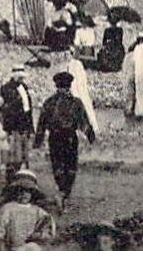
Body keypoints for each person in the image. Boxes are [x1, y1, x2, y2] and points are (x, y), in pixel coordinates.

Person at [35, 71, 96, 204]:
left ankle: (62, 191)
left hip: (55, 137)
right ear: (69, 86)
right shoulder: (75, 102)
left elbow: (42, 123)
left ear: (57, 86)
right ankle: (65, 192)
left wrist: (38, 141)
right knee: (70, 164)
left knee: (58, 164)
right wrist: (90, 136)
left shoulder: (50, 102)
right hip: (69, 138)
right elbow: (83, 122)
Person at [0, 170, 55, 250]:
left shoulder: (38, 211)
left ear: (32, 193)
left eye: (28, 191)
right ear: (14, 192)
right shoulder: (8, 209)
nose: (24, 194)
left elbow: (48, 228)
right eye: (20, 191)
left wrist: (39, 235)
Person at [0, 65, 35, 170]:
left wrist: (30, 127)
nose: (21, 79)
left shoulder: (24, 87)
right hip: (14, 126)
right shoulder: (7, 88)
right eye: (19, 77)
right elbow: (9, 109)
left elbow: (28, 108)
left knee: (24, 155)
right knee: (13, 155)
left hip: (24, 125)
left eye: (22, 77)